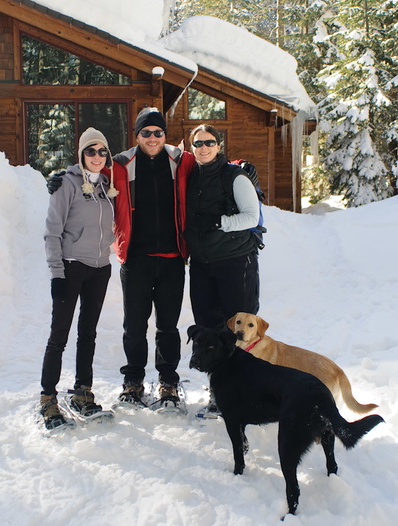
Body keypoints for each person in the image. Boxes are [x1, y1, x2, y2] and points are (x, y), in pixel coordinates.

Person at [111, 108, 196, 408]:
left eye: (158, 132)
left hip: (173, 258)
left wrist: (242, 167)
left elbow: (213, 161)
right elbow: (89, 172)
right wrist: (64, 178)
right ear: (136, 136)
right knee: (134, 325)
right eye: (146, 132)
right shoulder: (121, 163)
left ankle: (168, 382)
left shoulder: (181, 161)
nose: (152, 137)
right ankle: (133, 380)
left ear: (164, 135)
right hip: (136, 259)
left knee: (168, 326)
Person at [39, 127, 122, 430]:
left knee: (88, 333)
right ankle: (48, 398)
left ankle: (82, 392)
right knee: (59, 335)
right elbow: (52, 231)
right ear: (81, 154)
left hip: (100, 268)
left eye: (102, 151)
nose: (97, 156)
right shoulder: (66, 184)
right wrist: (56, 273)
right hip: (71, 268)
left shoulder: (106, 187)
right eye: (91, 151)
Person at [184, 124, 261, 331]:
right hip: (201, 265)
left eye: (210, 142)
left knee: (240, 329)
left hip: (234, 262)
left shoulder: (234, 176)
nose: (204, 148)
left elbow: (251, 217)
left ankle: (243, 365)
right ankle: (214, 365)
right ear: (192, 148)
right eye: (198, 143)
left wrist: (219, 222)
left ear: (218, 146)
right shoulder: (191, 176)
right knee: (207, 328)